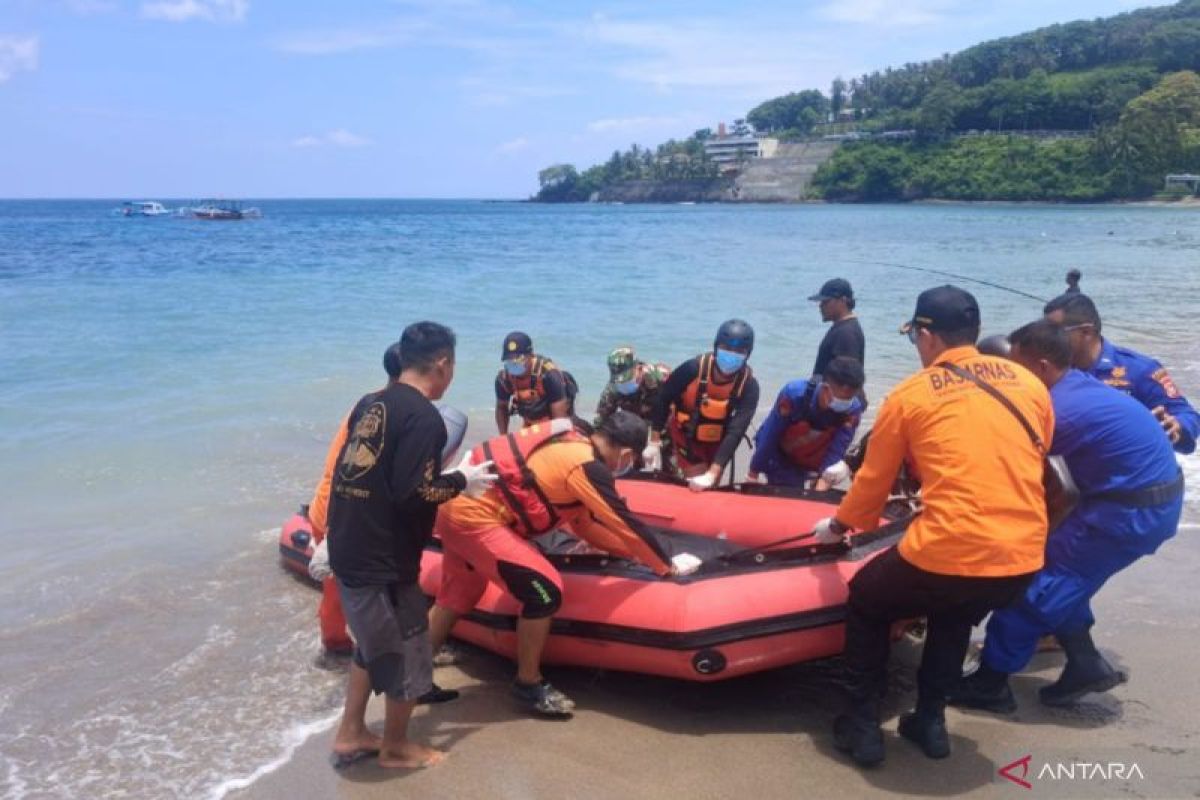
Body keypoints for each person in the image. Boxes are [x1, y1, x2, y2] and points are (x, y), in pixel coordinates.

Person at [816, 285, 1051, 767]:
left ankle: (862, 725)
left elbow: (871, 491)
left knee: (867, 600)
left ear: (926, 336)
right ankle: (931, 720)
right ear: (976, 332)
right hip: (1023, 557)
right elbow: (1031, 454)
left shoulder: (910, 394)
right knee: (955, 614)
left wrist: (838, 526)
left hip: (951, 548)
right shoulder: (1029, 383)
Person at [950, 321, 1183, 713]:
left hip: (1128, 513)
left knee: (1034, 589)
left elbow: (1003, 466)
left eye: (1013, 368)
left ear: (1041, 367)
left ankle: (991, 684)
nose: (1007, 377)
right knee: (1065, 580)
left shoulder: (1057, 409)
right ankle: (1085, 662)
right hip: (1141, 500)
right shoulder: (1078, 386)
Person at [427, 411, 698, 717]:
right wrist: (665, 565)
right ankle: (528, 683)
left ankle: (416, 674)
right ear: (625, 453)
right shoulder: (586, 466)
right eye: (631, 460)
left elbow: (585, 525)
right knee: (544, 590)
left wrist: (632, 554)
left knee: (459, 592)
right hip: (476, 517)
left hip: (455, 508)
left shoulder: (571, 445)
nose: (628, 466)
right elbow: (624, 521)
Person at [326, 322, 496, 770]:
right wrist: (461, 480)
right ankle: (397, 746)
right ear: (442, 365)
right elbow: (413, 492)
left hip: (347, 545)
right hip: (381, 559)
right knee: (408, 648)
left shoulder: (370, 403)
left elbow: (362, 474)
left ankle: (351, 733)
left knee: (370, 645)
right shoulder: (424, 418)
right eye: (452, 367)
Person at [307, 342, 402, 660]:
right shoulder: (386, 411)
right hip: (341, 509)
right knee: (339, 590)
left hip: (343, 505)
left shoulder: (373, 403)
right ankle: (335, 646)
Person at [1044, 293, 1198, 454]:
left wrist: (1176, 425)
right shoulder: (1046, 369)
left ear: (1086, 332)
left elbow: (1187, 415)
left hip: (1127, 470)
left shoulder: (1140, 369)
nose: (1047, 338)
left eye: (1055, 332)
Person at [648, 319, 760, 490]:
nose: (732, 354)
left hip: (719, 441)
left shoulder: (750, 386)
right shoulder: (692, 369)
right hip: (687, 436)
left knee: (711, 483)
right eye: (727, 348)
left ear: (748, 354)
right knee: (696, 481)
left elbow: (736, 431)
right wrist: (654, 442)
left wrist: (714, 471)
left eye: (739, 351)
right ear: (716, 347)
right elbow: (663, 398)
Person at [748, 356, 866, 489]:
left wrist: (822, 486)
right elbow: (770, 435)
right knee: (789, 491)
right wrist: (753, 473)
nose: (845, 404)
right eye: (842, 399)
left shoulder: (852, 411)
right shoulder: (793, 395)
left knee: (816, 494)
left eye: (849, 398)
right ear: (826, 389)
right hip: (780, 453)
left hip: (812, 457)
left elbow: (837, 450)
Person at [494, 331, 576, 434]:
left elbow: (559, 421)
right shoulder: (504, 379)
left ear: (531, 355)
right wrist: (503, 436)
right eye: (509, 360)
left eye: (519, 359)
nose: (514, 363)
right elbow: (501, 408)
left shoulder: (549, 375)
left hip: (555, 421)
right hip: (530, 423)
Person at [593, 346, 671, 429]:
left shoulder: (661, 377)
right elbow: (601, 419)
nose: (623, 383)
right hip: (636, 427)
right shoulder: (613, 387)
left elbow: (679, 404)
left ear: (638, 368)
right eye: (620, 381)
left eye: (627, 379)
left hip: (664, 422)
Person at [809, 278, 865, 378]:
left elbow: (846, 381)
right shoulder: (841, 328)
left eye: (826, 301)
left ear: (843, 301)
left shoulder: (847, 334)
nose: (820, 306)